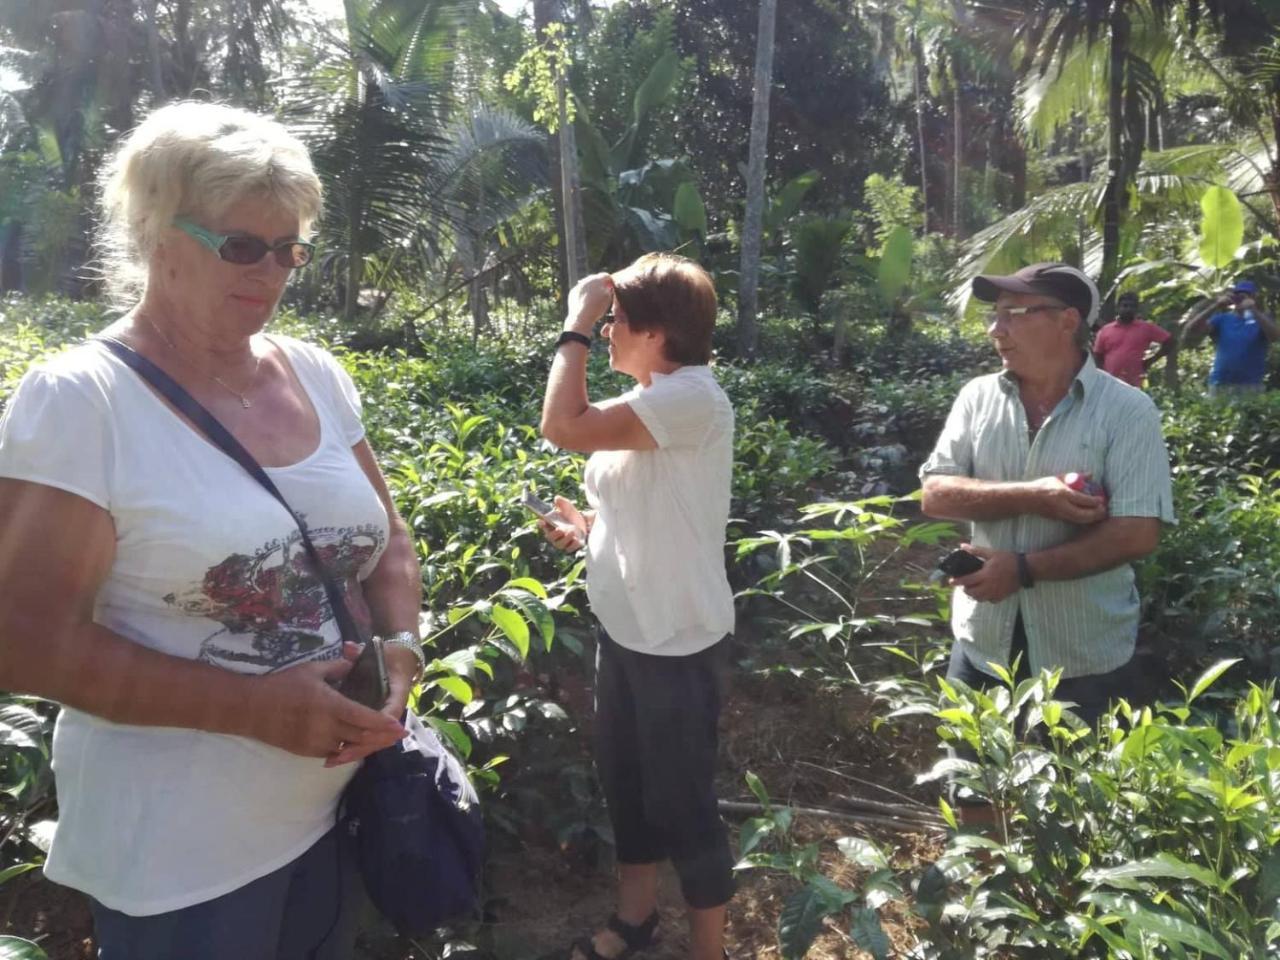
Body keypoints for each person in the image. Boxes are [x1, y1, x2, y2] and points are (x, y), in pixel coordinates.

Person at [0, 102, 426, 957]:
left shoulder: (313, 372)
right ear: (160, 236)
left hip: (330, 816)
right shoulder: (82, 403)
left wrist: (404, 645)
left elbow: (393, 542)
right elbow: (24, 641)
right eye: (240, 245)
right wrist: (251, 711)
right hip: (180, 860)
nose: (268, 271)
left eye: (288, 250)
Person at [539, 254, 736, 960]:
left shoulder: (692, 398)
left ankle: (708, 950)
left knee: (683, 805)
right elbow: (644, 509)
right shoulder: (654, 400)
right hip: (625, 631)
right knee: (626, 789)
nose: (610, 332)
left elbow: (562, 424)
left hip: (676, 641)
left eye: (617, 322)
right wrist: (586, 532)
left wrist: (575, 323)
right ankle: (635, 921)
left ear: (655, 332)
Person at [920, 262, 1174, 759]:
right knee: (973, 786)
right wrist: (1035, 495)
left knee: (1077, 799)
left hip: (1082, 649)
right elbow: (936, 494)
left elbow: (1138, 533)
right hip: (982, 641)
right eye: (994, 315)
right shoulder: (977, 398)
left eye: (1014, 313)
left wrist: (1022, 569)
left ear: (1066, 321)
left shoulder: (1127, 411)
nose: (997, 329)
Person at [1180, 279, 1279, 397]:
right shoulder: (1222, 319)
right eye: (1237, 295)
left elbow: (1275, 337)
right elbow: (1192, 328)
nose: (1240, 299)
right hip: (1220, 383)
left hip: (1250, 385)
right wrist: (1215, 305)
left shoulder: (1261, 320)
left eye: (1245, 295)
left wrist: (1253, 309)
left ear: (1253, 297)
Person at [1092, 291, 1173, 388]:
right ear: (1118, 308)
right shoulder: (1106, 330)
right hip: (1109, 383)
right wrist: (1101, 377)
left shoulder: (1146, 328)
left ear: (1136, 309)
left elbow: (1170, 341)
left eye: (1132, 306)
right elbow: (1098, 356)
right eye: (1125, 306)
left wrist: (1150, 361)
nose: (1128, 309)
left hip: (1133, 383)